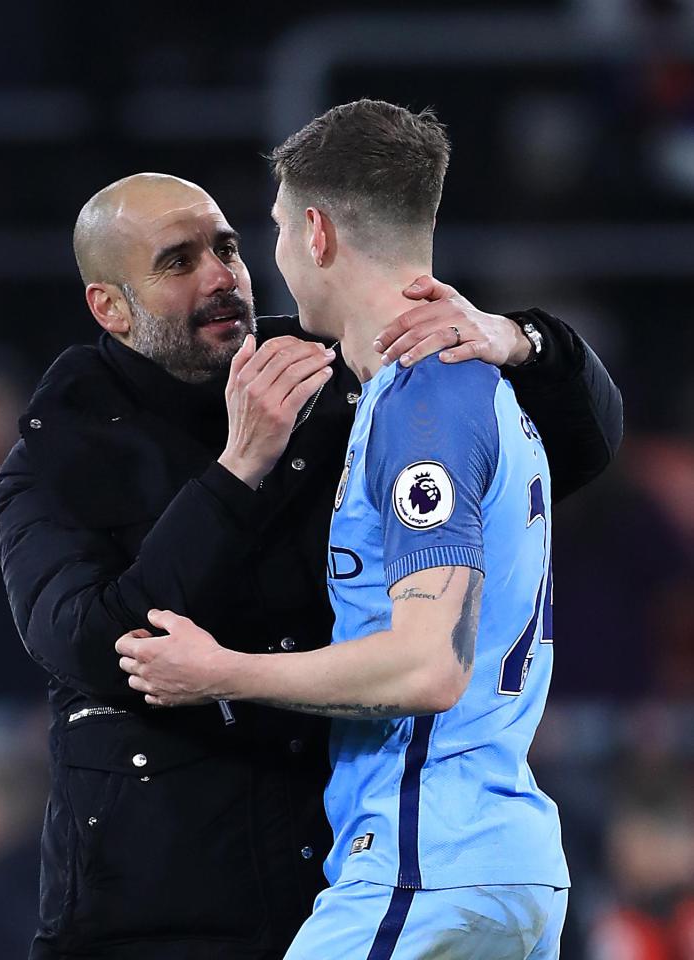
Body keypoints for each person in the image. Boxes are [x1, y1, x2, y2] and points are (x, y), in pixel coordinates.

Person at [0, 171, 621, 960]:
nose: (222, 276)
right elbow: (95, 646)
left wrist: (519, 339)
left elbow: (579, 447)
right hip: (153, 915)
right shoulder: (55, 456)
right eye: (178, 262)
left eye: (226, 247)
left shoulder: (333, 375)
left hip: (335, 881)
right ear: (110, 307)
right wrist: (236, 473)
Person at [117, 102, 583, 959]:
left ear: (319, 232)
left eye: (278, 231)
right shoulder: (462, 388)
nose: (277, 257)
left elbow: (427, 663)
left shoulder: (423, 399)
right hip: (485, 863)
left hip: (425, 866)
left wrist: (219, 671)